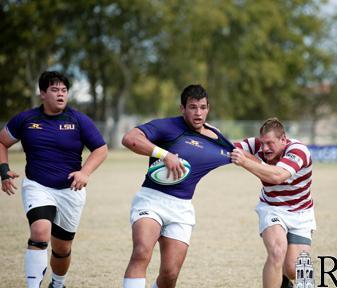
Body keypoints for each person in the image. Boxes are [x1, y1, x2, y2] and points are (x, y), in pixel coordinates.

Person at [0, 71, 108, 288]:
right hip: (37, 186)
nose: (61, 94)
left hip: (70, 191)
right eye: (55, 90)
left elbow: (101, 149)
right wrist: (4, 170)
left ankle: (57, 284)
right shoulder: (26, 119)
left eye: (64, 90)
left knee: (62, 248)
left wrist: (84, 172)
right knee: (40, 233)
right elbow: (1, 142)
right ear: (42, 93)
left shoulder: (77, 119)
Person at [122, 84, 234, 288]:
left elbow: (241, 154)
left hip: (181, 207)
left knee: (170, 274)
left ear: (208, 108)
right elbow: (130, 139)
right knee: (141, 252)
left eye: (202, 107)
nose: (198, 112)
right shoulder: (167, 126)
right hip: (151, 199)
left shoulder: (216, 137)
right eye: (192, 107)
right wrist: (164, 155)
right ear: (182, 108)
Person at [231, 118, 316, 288]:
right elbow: (228, 148)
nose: (264, 148)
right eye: (262, 143)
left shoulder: (298, 150)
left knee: (294, 269)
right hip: (272, 208)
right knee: (277, 252)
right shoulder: (256, 145)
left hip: (301, 212)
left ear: (283, 139)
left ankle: (286, 280)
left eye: (270, 143)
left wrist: (246, 161)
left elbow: (277, 176)